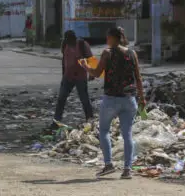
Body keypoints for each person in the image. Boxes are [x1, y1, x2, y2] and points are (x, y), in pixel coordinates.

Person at [84, 26, 146, 180]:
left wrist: (86, 67)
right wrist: (142, 98)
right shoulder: (132, 54)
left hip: (111, 99)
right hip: (129, 100)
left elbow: (97, 73)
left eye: (108, 37)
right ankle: (127, 169)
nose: (106, 40)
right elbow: (138, 78)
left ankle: (109, 165)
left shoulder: (107, 53)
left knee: (104, 130)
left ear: (113, 38)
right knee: (127, 135)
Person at [50, 30, 94, 129]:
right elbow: (64, 59)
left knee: (84, 99)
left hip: (80, 77)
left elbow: (90, 58)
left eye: (69, 40)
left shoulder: (82, 44)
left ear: (73, 38)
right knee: (61, 99)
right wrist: (63, 74)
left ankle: (90, 119)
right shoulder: (65, 45)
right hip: (68, 77)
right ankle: (56, 121)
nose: (68, 42)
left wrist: (91, 73)